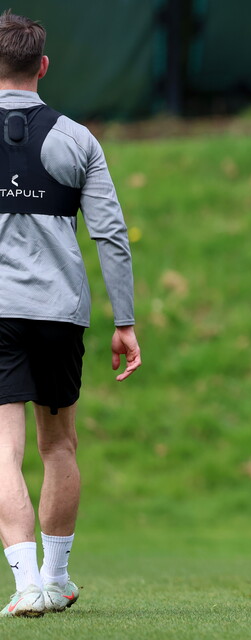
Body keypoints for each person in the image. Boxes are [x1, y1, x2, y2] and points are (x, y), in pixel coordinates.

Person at [0, 11, 141, 618]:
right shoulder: (77, 138)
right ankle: (56, 579)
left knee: (2, 449)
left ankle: (28, 582)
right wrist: (125, 321)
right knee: (59, 445)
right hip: (59, 314)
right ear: (44, 66)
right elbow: (111, 234)